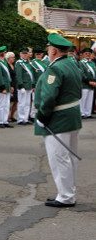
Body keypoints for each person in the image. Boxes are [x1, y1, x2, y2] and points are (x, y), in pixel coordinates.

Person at [35, 33, 82, 207]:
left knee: (59, 158)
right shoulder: (71, 64)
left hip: (59, 118)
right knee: (68, 157)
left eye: (48, 48)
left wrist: (42, 116)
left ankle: (66, 196)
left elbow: (49, 96)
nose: (48, 51)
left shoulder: (55, 68)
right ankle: (68, 192)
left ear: (53, 51)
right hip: (71, 116)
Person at [0, 46, 13, 128]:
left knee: (6, 104)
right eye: (4, 53)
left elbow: (8, 76)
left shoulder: (4, 63)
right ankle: (0, 121)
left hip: (7, 85)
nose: (5, 54)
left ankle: (5, 120)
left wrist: (11, 85)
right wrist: (2, 88)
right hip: (2, 87)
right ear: (2, 54)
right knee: (1, 105)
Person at [15, 48, 35, 125]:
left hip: (29, 86)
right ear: (20, 54)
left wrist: (32, 85)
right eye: (23, 54)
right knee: (21, 103)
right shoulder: (19, 63)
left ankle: (25, 118)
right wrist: (21, 85)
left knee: (27, 103)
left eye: (26, 54)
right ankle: (21, 118)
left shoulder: (28, 63)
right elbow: (19, 75)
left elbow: (31, 75)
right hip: (23, 86)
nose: (25, 55)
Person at [79, 48, 96, 118]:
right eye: (86, 53)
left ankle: (88, 113)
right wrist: (89, 81)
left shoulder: (92, 63)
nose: (88, 55)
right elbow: (82, 73)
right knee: (83, 98)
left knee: (90, 99)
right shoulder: (81, 63)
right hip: (85, 84)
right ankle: (82, 113)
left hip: (92, 84)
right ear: (83, 55)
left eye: (89, 54)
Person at [6, 52, 18, 123]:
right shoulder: (7, 65)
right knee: (9, 102)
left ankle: (11, 115)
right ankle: (6, 117)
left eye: (14, 57)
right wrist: (10, 85)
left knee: (16, 101)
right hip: (10, 84)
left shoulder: (14, 65)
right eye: (12, 57)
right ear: (8, 58)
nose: (14, 59)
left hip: (15, 84)